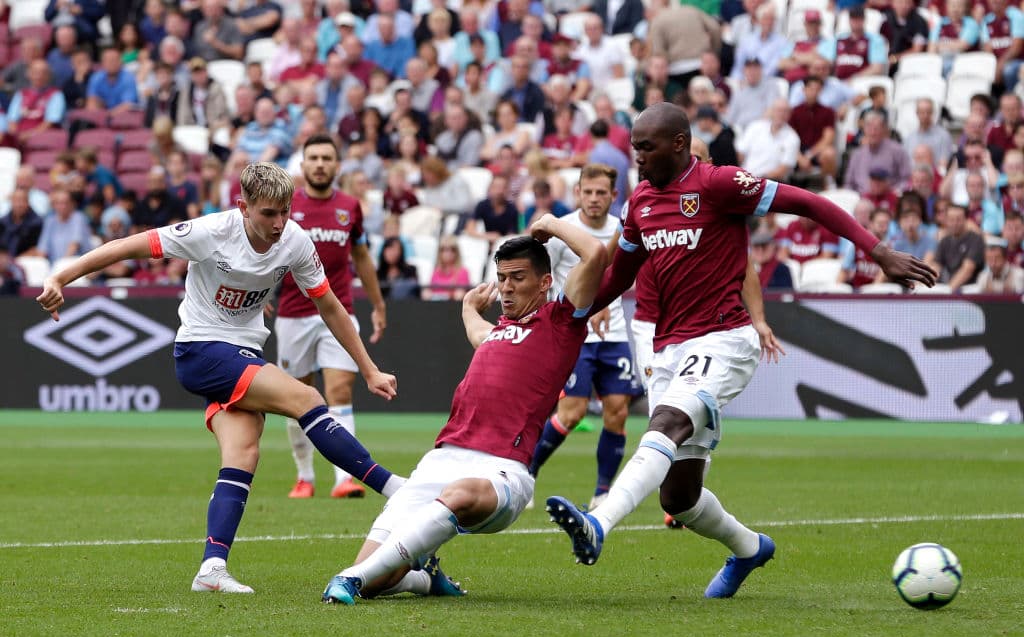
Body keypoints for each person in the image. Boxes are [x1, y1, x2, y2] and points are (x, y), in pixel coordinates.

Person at [544, 102, 936, 598]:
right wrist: (566, 315)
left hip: (724, 338)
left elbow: (809, 203)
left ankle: (597, 524)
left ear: (679, 144)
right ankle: (750, 548)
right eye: (635, 147)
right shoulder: (641, 202)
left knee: (666, 421)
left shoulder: (719, 184)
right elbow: (618, 276)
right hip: (668, 348)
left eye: (647, 147)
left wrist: (876, 251)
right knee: (679, 497)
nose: (637, 157)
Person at [36, 162, 405, 594]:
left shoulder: (295, 241)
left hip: (244, 354)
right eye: (268, 213)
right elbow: (124, 247)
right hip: (201, 351)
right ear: (243, 207)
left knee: (243, 452)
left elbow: (330, 306)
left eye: (285, 212)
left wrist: (368, 368)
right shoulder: (210, 231)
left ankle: (211, 568)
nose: (279, 223)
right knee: (306, 398)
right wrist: (60, 277)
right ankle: (396, 488)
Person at [321, 215, 608, 605]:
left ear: (545, 282)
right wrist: (468, 307)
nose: (507, 287)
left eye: (518, 278)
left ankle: (349, 578)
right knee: (378, 578)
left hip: (501, 470)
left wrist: (550, 224)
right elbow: (477, 330)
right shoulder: (498, 331)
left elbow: (596, 253)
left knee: (457, 497)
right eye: (502, 277)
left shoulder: (560, 322)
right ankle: (422, 579)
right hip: (442, 459)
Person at [273, 134, 388, 500]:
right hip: (293, 315)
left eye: (326, 158)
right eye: (314, 158)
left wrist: (378, 304)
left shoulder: (350, 207)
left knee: (339, 391)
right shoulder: (286, 206)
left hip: (338, 313)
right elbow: (265, 249)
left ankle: (344, 478)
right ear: (303, 165)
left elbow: (362, 257)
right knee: (296, 396)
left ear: (337, 166)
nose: (320, 164)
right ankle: (304, 476)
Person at [528, 164, 640, 510]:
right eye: (587, 192)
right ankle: (527, 473)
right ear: (577, 193)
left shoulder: (623, 230)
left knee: (617, 413)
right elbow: (542, 280)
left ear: (613, 196)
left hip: (615, 334)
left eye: (601, 193)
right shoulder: (564, 230)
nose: (593, 198)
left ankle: (602, 492)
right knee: (572, 413)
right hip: (574, 335)